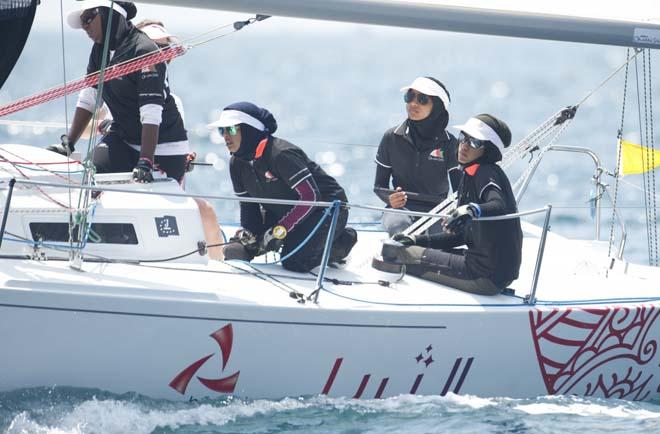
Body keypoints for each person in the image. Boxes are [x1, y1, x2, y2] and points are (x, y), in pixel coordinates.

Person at [48, 1, 189, 185]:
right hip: (125, 140)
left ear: (108, 14)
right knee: (90, 174)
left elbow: (151, 113)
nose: (85, 27)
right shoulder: (100, 50)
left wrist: (146, 161)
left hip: (163, 149)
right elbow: (90, 96)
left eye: (88, 19)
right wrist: (69, 144)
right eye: (82, 23)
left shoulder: (144, 50)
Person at [382, 114, 522, 295]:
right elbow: (461, 237)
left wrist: (472, 209)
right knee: (410, 246)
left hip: (482, 275)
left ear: (487, 150)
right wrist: (417, 239)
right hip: (493, 273)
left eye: (475, 143)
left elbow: (498, 204)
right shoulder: (470, 175)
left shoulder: (486, 173)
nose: (464, 146)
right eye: (463, 138)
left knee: (394, 252)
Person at [210, 102, 357, 272]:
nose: (226, 136)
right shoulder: (236, 163)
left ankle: (343, 241)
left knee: (293, 262)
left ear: (249, 130)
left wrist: (281, 230)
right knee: (236, 251)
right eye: (222, 131)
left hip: (325, 210)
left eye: (232, 129)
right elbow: (248, 204)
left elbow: (311, 197)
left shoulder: (280, 154)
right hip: (284, 209)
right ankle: (296, 237)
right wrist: (250, 234)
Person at [374, 76, 459, 235]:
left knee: (439, 236)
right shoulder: (391, 137)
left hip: (438, 211)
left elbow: (459, 192)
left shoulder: (450, 143)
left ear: (437, 106)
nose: (413, 103)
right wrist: (390, 198)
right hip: (399, 210)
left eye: (422, 99)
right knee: (399, 229)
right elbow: (379, 186)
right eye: (409, 97)